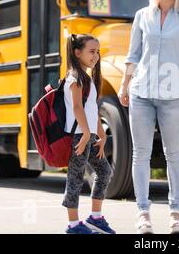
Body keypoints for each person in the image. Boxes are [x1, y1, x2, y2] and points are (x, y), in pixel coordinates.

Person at [118, 0, 179, 234]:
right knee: (140, 154)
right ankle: (143, 213)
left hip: (173, 95)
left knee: (173, 154)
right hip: (141, 93)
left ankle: (176, 212)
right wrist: (124, 85)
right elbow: (133, 56)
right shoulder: (142, 16)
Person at [62, 34, 116, 234]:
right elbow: (77, 107)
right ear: (77, 53)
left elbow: (92, 109)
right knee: (75, 178)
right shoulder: (74, 77)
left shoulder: (88, 79)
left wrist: (101, 134)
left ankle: (95, 217)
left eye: (98, 52)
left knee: (104, 171)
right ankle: (73, 225)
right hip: (78, 136)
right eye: (91, 51)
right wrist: (85, 133)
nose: (96, 56)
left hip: (88, 135)